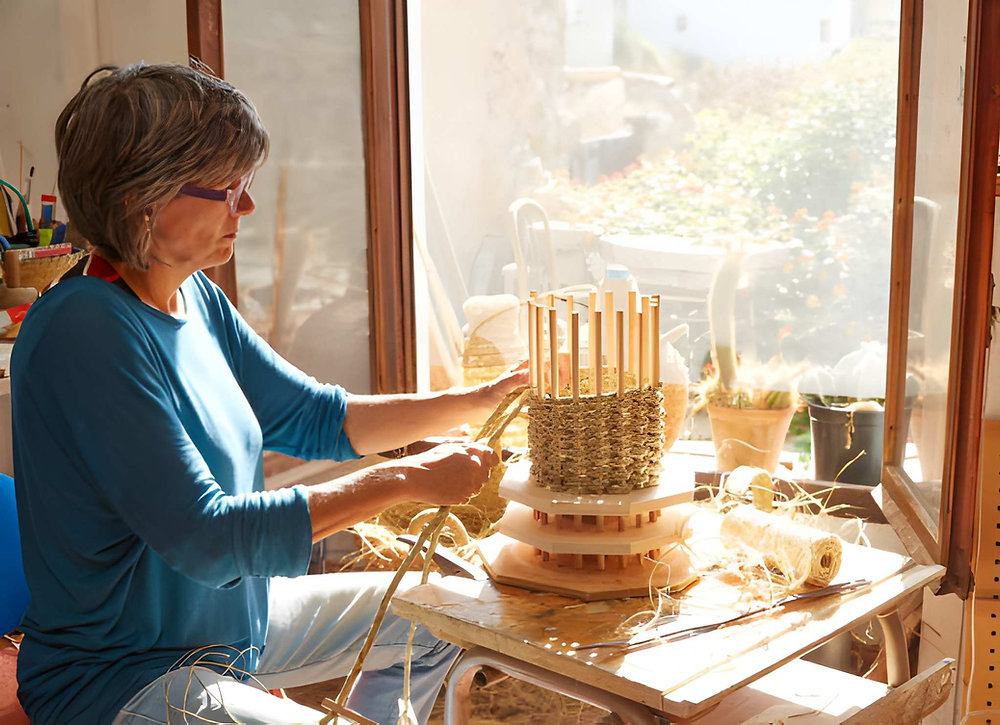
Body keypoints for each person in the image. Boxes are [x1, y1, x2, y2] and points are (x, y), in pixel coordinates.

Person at [11, 63, 525, 725]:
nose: (245, 207)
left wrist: (478, 399)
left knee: (453, 613)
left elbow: (315, 417)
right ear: (147, 197)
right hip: (122, 677)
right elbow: (209, 538)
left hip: (226, 630)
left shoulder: (193, 296)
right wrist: (405, 479)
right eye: (226, 188)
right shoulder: (84, 332)